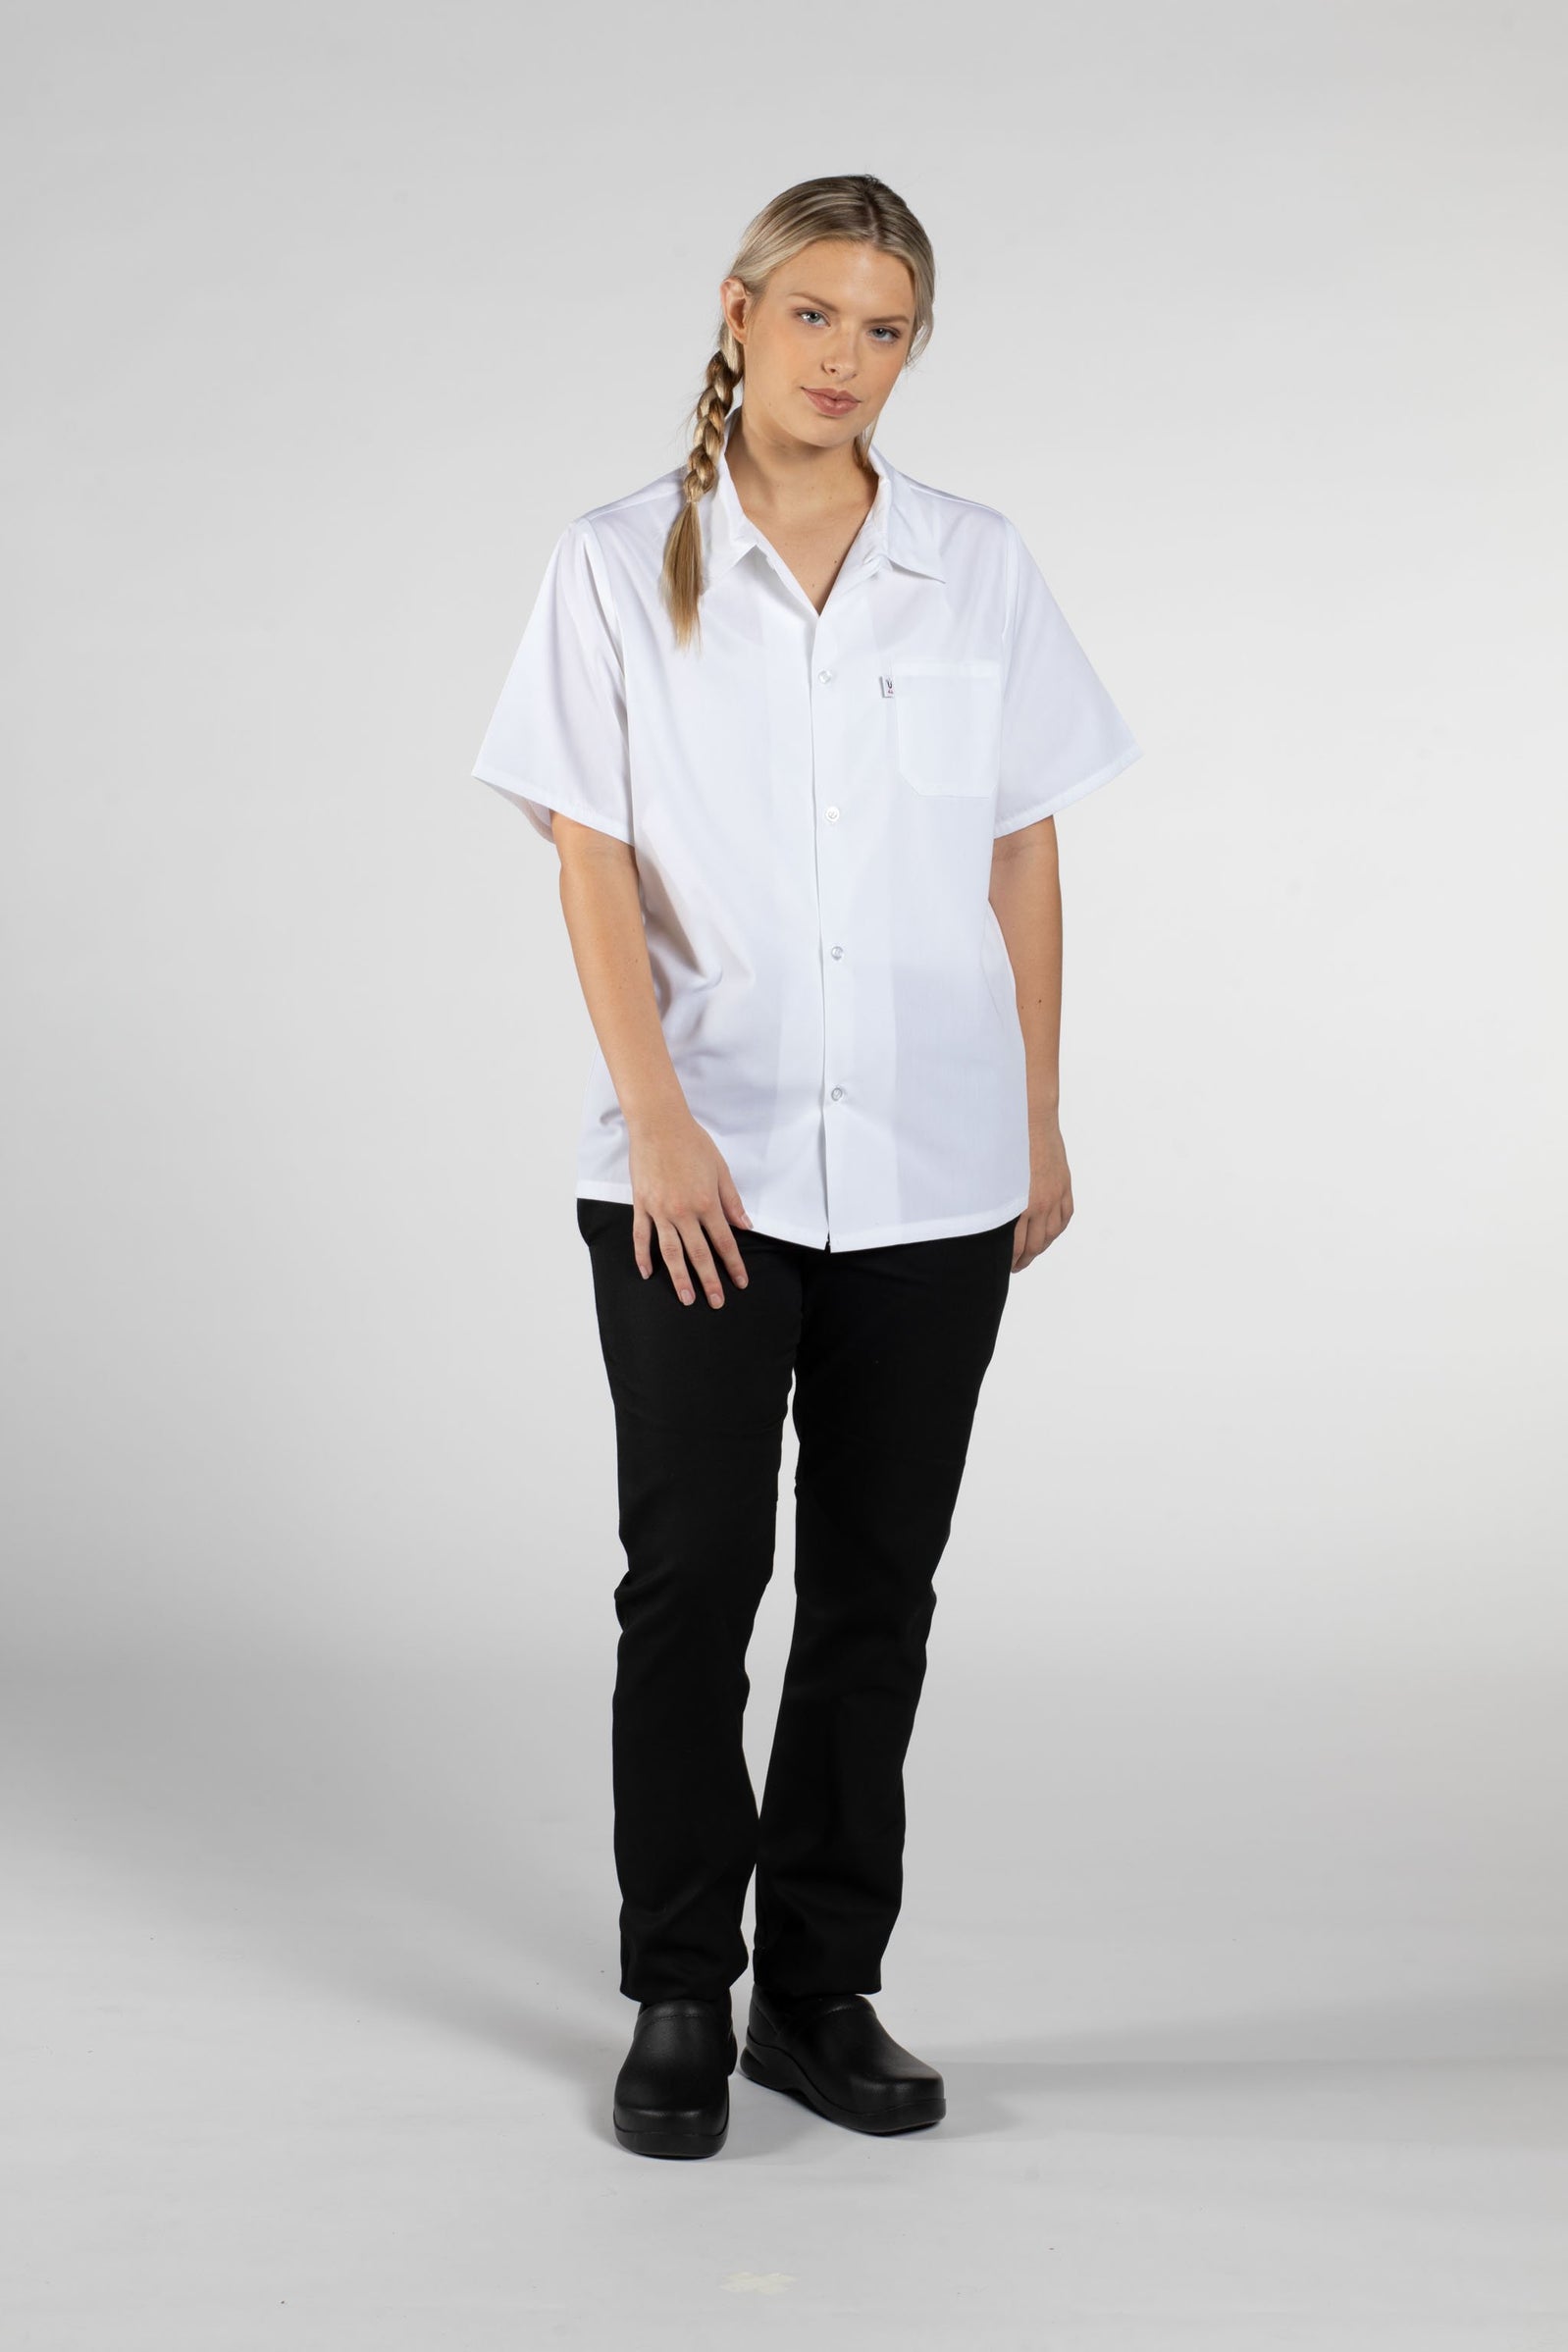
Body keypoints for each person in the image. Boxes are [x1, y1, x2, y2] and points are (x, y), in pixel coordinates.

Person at [470, 173, 1142, 2159]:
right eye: (818, 314)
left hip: (935, 1164)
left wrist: (1034, 1111)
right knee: (692, 1580)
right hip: (700, 1166)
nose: (847, 358)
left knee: (876, 1590)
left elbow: (1021, 844)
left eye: (887, 328)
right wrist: (661, 1117)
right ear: (740, 311)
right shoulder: (620, 563)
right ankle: (679, 1985)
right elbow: (588, 855)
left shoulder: (972, 563)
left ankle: (818, 1989)